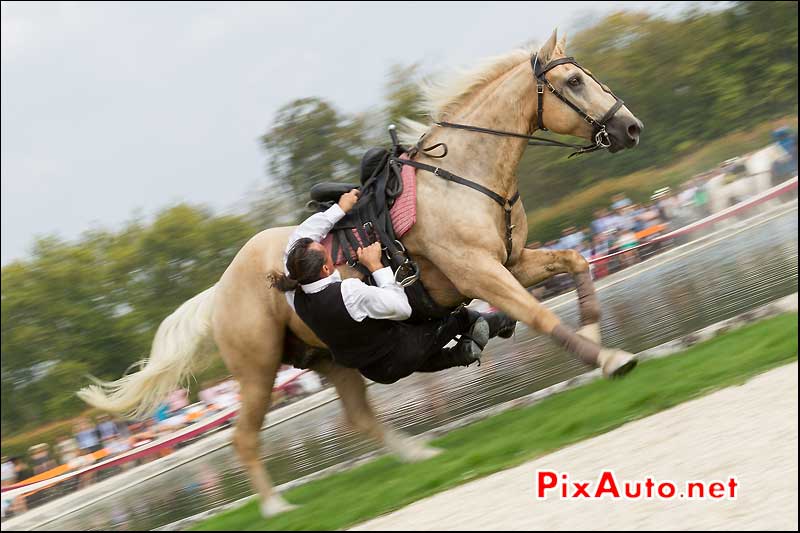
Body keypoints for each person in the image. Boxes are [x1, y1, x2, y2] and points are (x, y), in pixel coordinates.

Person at [269, 189, 516, 385]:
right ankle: (501, 322)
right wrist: (376, 266)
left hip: (374, 371)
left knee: (415, 354)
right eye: (326, 253)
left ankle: (460, 354)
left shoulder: (295, 292)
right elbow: (402, 308)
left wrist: (338, 210)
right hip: (403, 353)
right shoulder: (349, 292)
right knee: (457, 317)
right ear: (325, 269)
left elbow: (298, 241)